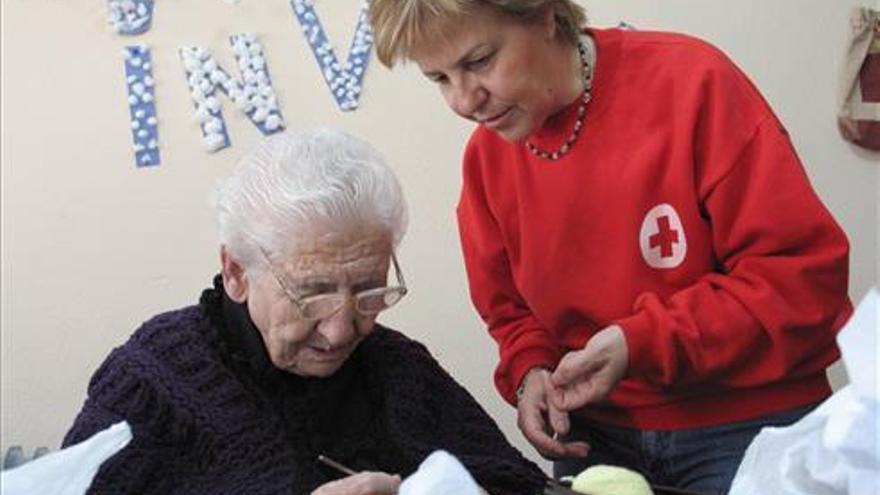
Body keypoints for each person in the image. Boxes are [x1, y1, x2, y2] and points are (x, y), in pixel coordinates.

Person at [368, 1, 854, 493]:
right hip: (595, 438)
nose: (464, 101)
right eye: (440, 79)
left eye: (479, 62)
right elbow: (510, 314)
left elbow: (800, 280)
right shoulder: (485, 162)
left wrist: (641, 342)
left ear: (544, 15)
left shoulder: (692, 84)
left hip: (751, 422)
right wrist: (530, 370)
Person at [63, 129, 547, 495]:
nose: (340, 331)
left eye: (368, 290)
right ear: (235, 272)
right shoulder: (152, 378)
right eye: (312, 293)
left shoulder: (399, 369)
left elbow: (520, 486)